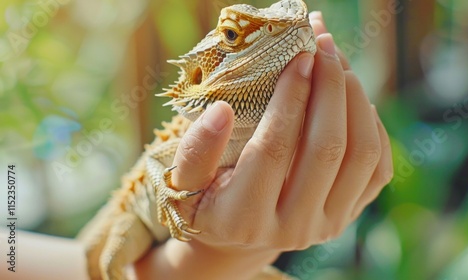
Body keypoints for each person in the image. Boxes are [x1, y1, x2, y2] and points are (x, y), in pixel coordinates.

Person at [0, 12, 393, 280]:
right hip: (135, 218)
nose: (281, 33)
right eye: (236, 35)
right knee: (108, 260)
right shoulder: (200, 130)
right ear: (203, 70)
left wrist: (226, 259)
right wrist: (216, 251)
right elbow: (157, 160)